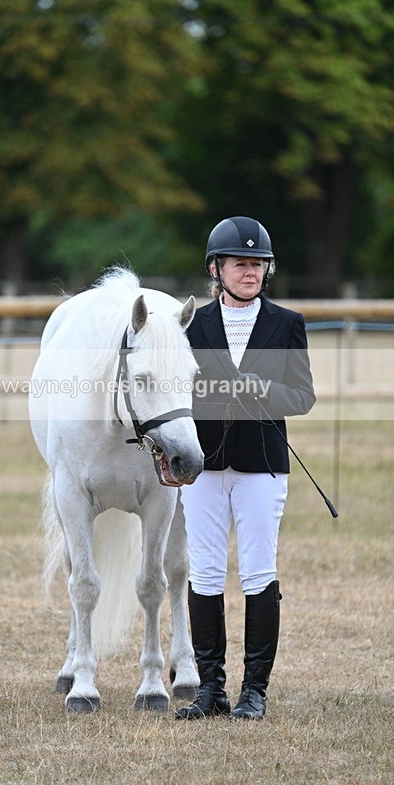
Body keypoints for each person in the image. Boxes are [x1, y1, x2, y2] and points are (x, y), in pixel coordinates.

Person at [176, 216, 316, 721]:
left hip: (262, 465)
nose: (250, 271)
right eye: (241, 264)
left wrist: (262, 391)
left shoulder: (286, 323)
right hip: (204, 465)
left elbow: (302, 397)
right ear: (217, 269)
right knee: (206, 571)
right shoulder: (192, 324)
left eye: (258, 264)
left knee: (258, 572)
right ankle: (210, 689)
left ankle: (254, 691)